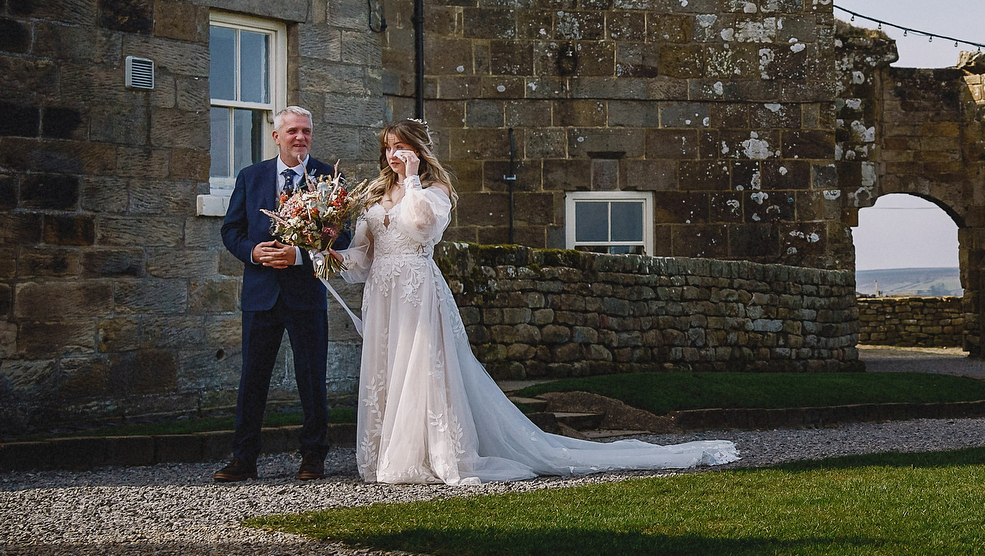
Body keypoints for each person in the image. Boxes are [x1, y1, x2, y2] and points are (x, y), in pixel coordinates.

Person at [341, 118, 739, 484]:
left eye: (402, 147)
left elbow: (424, 227)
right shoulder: (375, 193)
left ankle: (435, 456)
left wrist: (412, 181)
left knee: (422, 367)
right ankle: (387, 455)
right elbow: (363, 256)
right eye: (389, 148)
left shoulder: (434, 190)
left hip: (417, 288)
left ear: (419, 150)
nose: (394, 156)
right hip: (383, 292)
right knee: (387, 368)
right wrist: (326, 257)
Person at [215, 105, 349, 483]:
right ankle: (244, 458)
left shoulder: (328, 177)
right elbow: (231, 231)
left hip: (306, 294)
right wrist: (253, 252)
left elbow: (343, 236)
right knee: (253, 377)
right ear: (277, 136)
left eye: (306, 131)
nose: (300, 138)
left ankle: (313, 456)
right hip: (261, 294)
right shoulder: (251, 176)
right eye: (292, 131)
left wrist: (300, 256)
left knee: (312, 377)